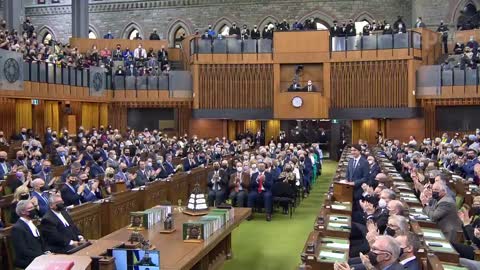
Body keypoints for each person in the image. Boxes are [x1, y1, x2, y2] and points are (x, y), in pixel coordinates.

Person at [11, 200, 49, 268]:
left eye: (33, 207)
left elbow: (40, 241)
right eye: (30, 208)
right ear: (23, 212)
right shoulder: (17, 228)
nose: (33, 210)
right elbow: (23, 250)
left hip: (40, 256)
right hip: (28, 260)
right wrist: (41, 256)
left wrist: (46, 252)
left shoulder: (31, 223)